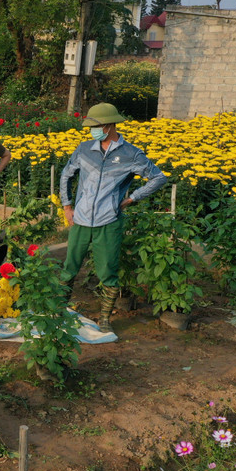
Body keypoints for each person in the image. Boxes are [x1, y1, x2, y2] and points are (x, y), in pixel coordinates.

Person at [59, 102, 167, 332]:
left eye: (95, 126)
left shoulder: (131, 155)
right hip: (81, 219)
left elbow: (158, 178)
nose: (92, 131)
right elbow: (66, 174)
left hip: (108, 221)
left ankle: (105, 319)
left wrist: (132, 198)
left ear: (109, 126)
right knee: (69, 267)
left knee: (107, 270)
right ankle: (59, 310)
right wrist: (68, 206)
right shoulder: (85, 149)